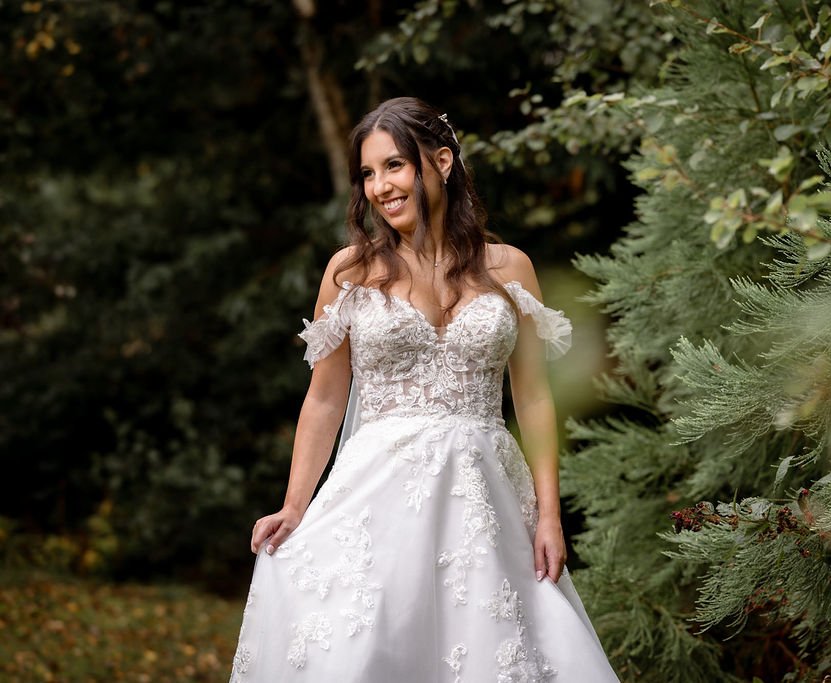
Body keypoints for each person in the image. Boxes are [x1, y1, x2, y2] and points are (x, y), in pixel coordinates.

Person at [228, 97, 619, 682]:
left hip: (486, 502)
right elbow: (326, 398)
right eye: (368, 173)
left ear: (441, 161)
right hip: (375, 499)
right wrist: (294, 504)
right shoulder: (350, 272)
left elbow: (534, 397)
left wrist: (548, 517)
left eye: (394, 165)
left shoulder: (509, 268)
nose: (380, 186)